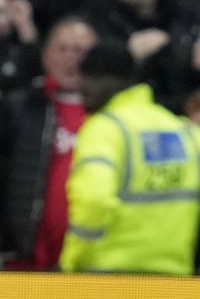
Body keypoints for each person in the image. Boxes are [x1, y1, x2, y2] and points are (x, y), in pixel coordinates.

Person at [60, 40, 200, 275]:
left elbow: (94, 199)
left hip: (109, 277)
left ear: (110, 82)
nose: (81, 89)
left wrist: (73, 262)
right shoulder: (180, 130)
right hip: (175, 278)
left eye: (87, 79)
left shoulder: (105, 129)